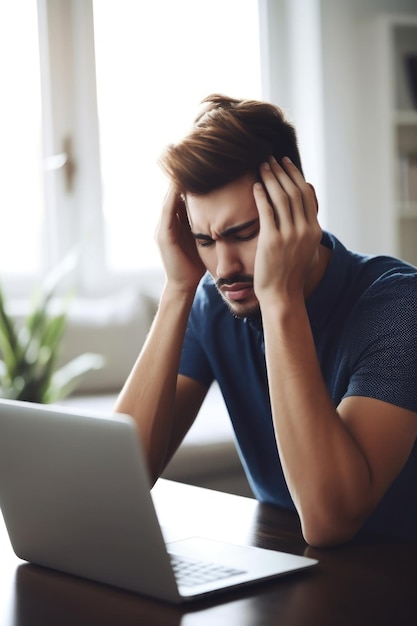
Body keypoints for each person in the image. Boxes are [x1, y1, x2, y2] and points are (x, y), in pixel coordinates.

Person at [115, 94, 417, 547]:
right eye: (204, 240)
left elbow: (328, 521)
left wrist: (280, 297)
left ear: (302, 209)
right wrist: (177, 290)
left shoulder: (400, 306)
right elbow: (121, 480)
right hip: (287, 570)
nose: (224, 266)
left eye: (244, 234)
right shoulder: (210, 301)